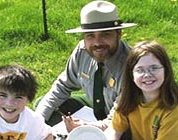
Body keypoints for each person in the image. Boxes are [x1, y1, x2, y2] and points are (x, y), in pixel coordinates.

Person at [35, 0, 136, 132]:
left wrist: (86, 128)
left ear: (119, 33)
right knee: (43, 104)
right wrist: (36, 122)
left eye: (105, 35)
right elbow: (62, 86)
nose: (97, 43)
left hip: (125, 121)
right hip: (98, 108)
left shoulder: (132, 65)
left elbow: (116, 120)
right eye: (90, 36)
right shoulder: (82, 51)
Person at [93, 40, 178, 140]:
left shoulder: (174, 108)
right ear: (131, 74)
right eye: (140, 70)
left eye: (154, 68)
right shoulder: (128, 99)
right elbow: (115, 130)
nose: (147, 75)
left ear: (166, 70)